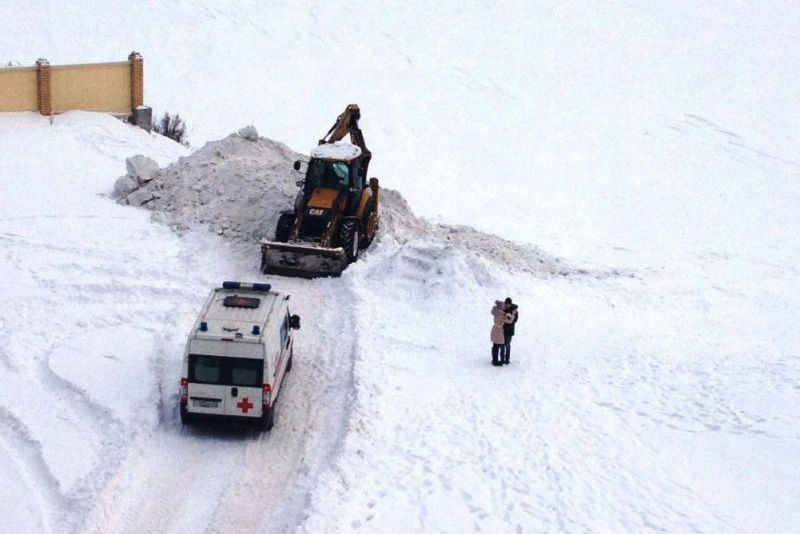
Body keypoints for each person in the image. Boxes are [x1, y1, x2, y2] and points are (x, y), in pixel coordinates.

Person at [501, 297, 518, 364]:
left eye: (508, 304)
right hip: (502, 330)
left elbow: (515, 320)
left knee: (507, 345)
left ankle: (507, 359)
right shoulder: (503, 309)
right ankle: (502, 358)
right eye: (506, 304)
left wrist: (509, 317)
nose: (507, 305)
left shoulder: (514, 311)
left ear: (510, 304)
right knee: (502, 345)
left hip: (510, 331)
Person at [490, 300, 506, 366]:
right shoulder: (500, 315)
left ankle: (494, 360)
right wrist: (504, 319)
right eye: (503, 306)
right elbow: (499, 324)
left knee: (495, 346)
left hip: (495, 331)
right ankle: (495, 361)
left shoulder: (497, 312)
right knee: (497, 347)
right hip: (498, 332)